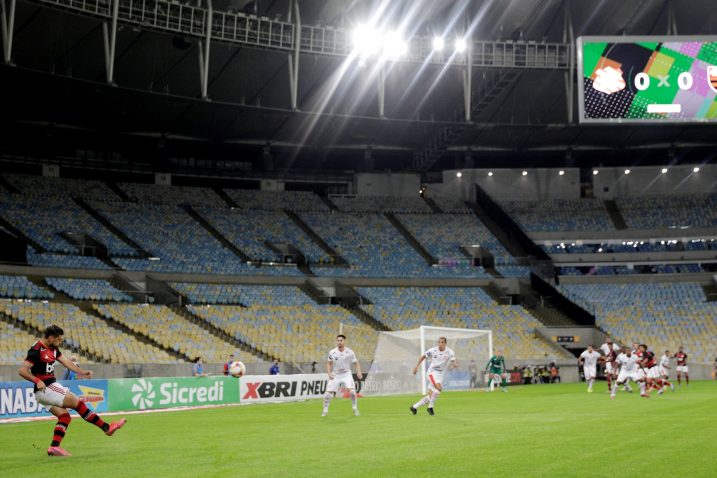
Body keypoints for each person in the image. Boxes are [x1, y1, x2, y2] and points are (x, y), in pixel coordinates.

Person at [18, 324, 126, 456]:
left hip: (43, 392)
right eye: (58, 339)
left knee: (65, 417)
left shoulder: (53, 348)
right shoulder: (36, 350)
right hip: (47, 388)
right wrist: (37, 380)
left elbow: (67, 362)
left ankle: (54, 447)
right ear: (51, 337)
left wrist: (83, 372)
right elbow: (22, 370)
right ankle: (107, 428)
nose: (60, 341)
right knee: (78, 403)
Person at [410, 336, 457, 415]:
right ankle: (430, 408)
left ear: (445, 343)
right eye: (439, 342)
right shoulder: (433, 350)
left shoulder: (449, 352)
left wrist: (454, 364)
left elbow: (453, 360)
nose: (440, 344)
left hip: (440, 374)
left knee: (431, 395)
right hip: (432, 372)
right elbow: (423, 357)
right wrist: (416, 367)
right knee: (439, 388)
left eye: (442, 342)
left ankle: (414, 407)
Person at [322, 334, 362, 417]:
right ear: (336, 341)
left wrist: (358, 372)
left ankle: (355, 408)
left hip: (347, 374)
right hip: (335, 375)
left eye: (341, 340)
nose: (339, 342)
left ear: (344, 341)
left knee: (352, 392)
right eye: (338, 340)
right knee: (327, 394)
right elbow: (329, 363)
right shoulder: (332, 352)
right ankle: (325, 410)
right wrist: (329, 373)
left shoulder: (350, 352)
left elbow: (356, 363)